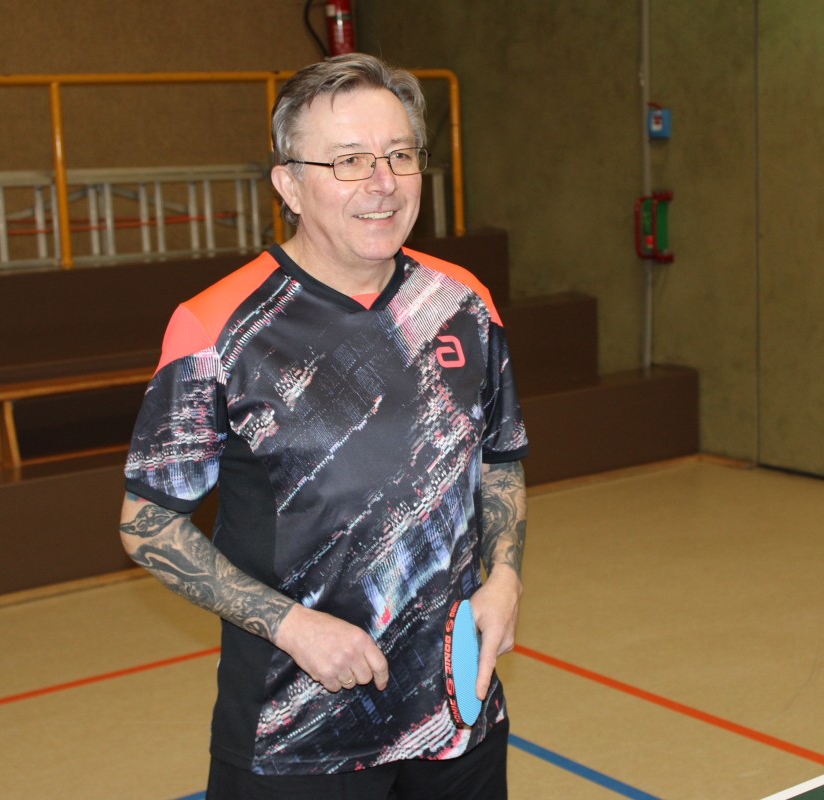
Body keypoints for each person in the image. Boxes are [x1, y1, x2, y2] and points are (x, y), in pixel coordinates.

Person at [119, 53, 528, 799]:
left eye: (399, 154)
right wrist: (292, 627)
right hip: (295, 743)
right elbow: (147, 524)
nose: (383, 183)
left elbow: (498, 460)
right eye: (348, 161)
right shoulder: (217, 328)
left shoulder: (463, 302)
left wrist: (504, 576)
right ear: (288, 184)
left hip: (457, 720)